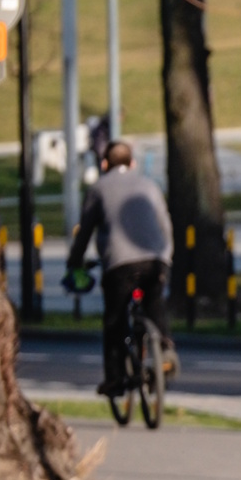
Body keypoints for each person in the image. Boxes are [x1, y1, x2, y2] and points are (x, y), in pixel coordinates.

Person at [65, 141, 175, 397]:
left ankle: (114, 380)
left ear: (104, 164)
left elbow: (85, 232)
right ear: (133, 163)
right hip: (157, 259)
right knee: (155, 301)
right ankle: (166, 348)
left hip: (119, 263)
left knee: (115, 320)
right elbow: (165, 224)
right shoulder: (149, 185)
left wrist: (74, 262)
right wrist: (166, 256)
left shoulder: (98, 189)